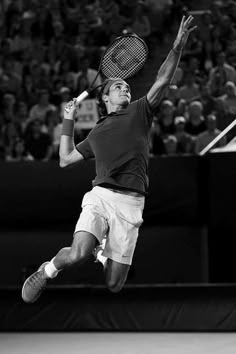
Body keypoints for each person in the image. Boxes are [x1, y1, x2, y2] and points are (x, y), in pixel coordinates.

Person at [22, 15, 196, 303]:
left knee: (114, 284)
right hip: (101, 197)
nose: (125, 88)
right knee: (77, 253)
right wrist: (69, 120)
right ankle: (49, 270)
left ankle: (101, 254)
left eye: (127, 87)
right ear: (104, 98)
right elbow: (65, 158)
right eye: (118, 87)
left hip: (131, 204)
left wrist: (177, 46)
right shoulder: (95, 134)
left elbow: (163, 79)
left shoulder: (140, 112)